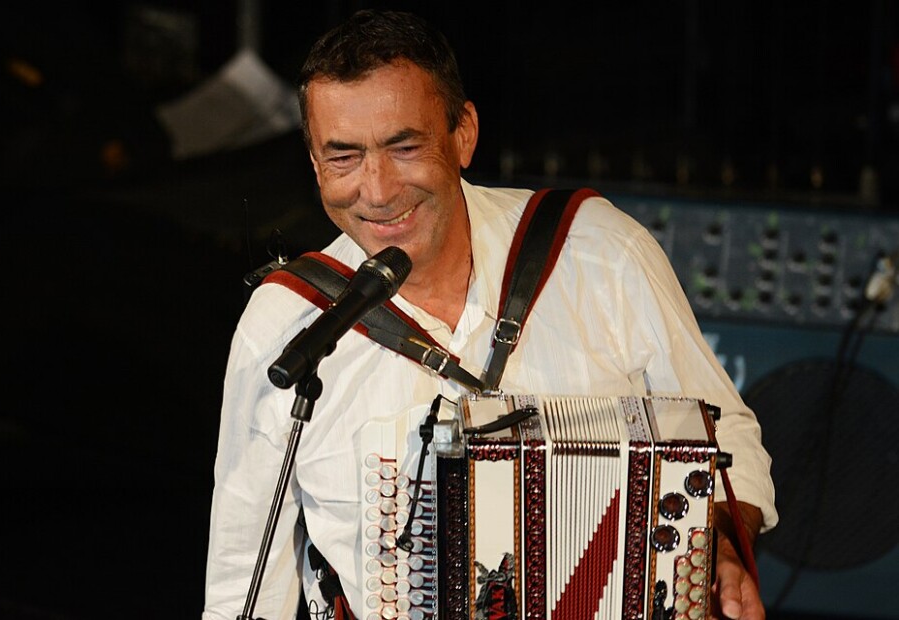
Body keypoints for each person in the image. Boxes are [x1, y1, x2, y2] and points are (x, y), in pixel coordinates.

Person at [204, 9, 777, 620]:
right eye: (343, 157)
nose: (376, 189)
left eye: (404, 146)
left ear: (464, 134)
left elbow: (727, 438)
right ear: (314, 162)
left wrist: (718, 542)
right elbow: (245, 577)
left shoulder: (602, 254)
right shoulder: (287, 324)